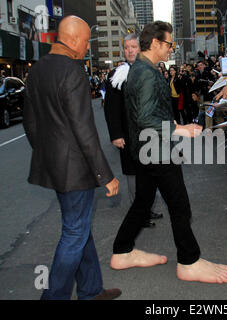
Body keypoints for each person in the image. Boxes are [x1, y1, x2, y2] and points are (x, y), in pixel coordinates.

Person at [109, 21, 227, 284]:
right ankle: (189, 261)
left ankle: (122, 250)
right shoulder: (145, 72)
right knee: (179, 205)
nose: (172, 49)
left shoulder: (141, 69)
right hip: (155, 148)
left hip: (146, 149)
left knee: (143, 202)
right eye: (169, 44)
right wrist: (180, 129)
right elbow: (146, 118)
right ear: (155, 43)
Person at [23, 15, 121, 300]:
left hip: (55, 167)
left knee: (78, 228)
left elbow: (30, 123)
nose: (88, 46)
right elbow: (84, 130)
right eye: (87, 40)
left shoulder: (37, 70)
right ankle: (53, 297)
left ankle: (91, 291)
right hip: (75, 170)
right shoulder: (73, 71)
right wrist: (106, 175)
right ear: (75, 39)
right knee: (74, 234)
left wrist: (48, 154)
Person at [104, 34, 162, 228]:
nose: (130, 50)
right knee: (133, 175)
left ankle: (147, 208)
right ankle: (139, 213)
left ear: (140, 49)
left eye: (133, 47)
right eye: (127, 47)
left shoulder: (148, 70)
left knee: (150, 172)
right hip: (128, 135)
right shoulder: (117, 74)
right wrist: (116, 135)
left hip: (148, 133)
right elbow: (110, 109)